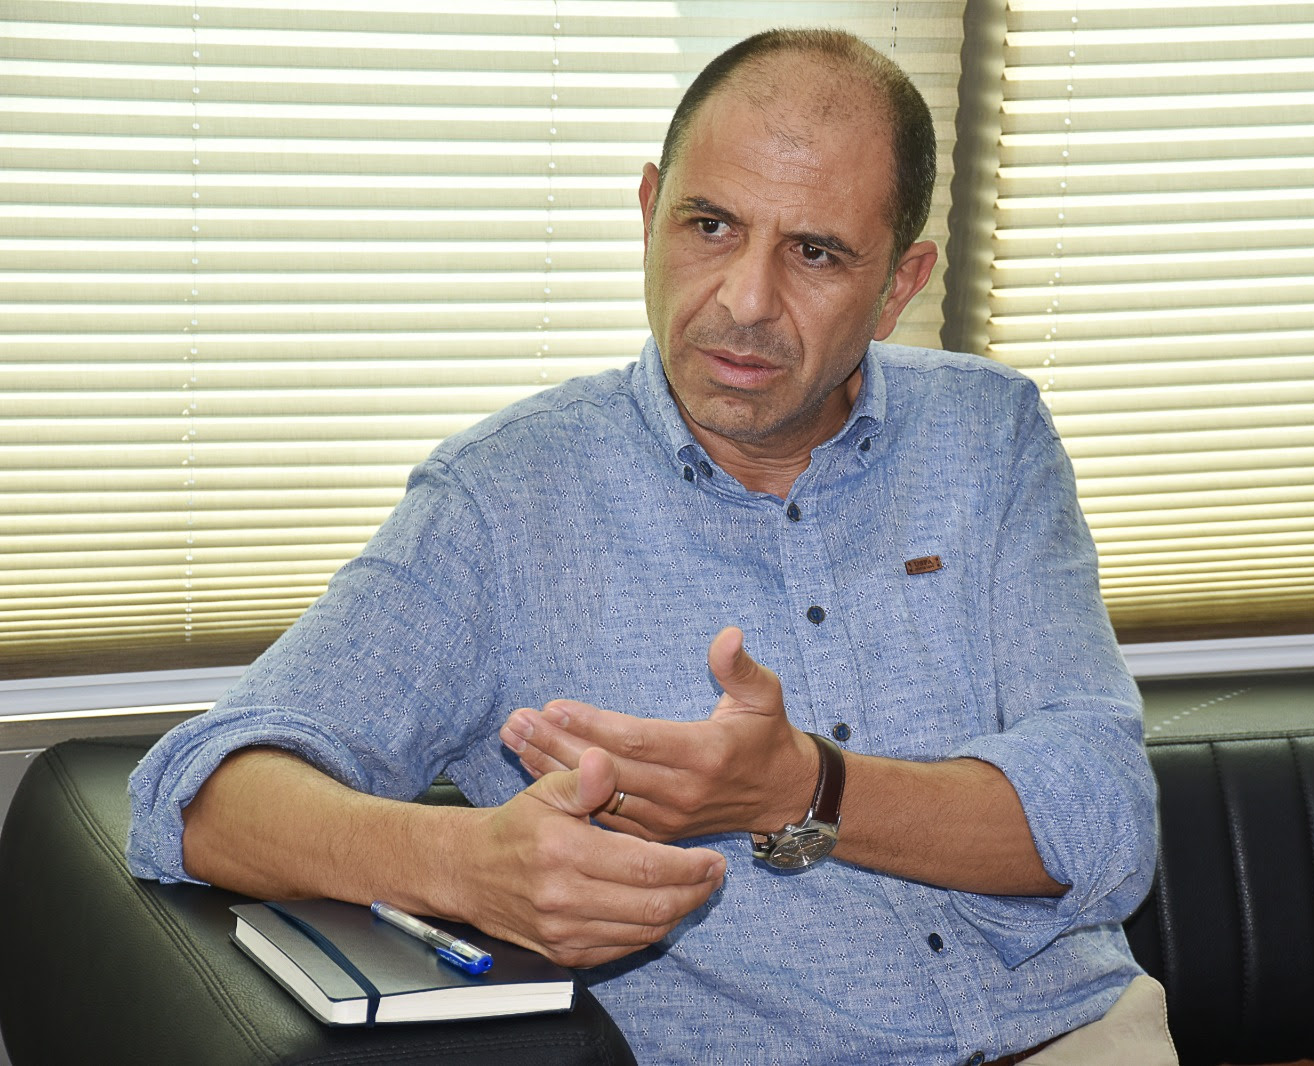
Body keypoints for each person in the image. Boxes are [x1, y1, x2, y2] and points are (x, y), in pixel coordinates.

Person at [127, 28, 1172, 1065]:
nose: (745, 301)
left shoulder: (991, 434)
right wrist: (469, 863)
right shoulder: (505, 496)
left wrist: (803, 790)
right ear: (647, 213)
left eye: (814, 252)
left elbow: (1106, 823)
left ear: (899, 286)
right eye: (710, 225)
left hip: (1078, 1035)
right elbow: (200, 796)